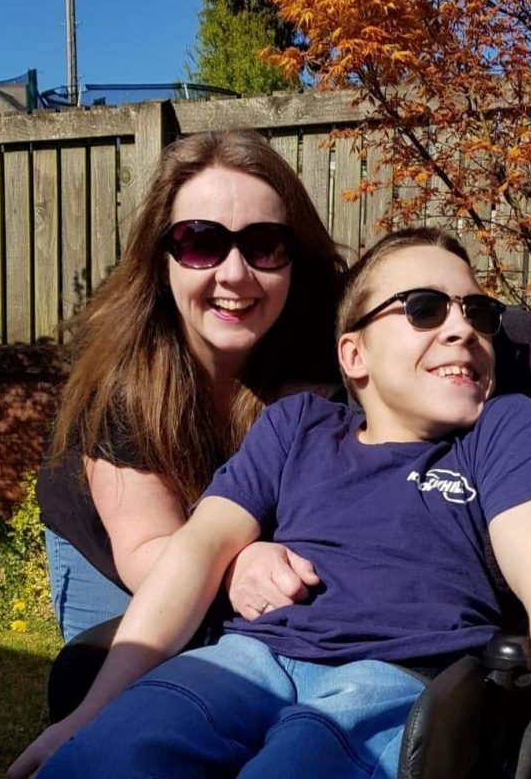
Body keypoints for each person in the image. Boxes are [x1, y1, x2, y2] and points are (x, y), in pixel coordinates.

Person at [11, 228, 531, 779]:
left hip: (395, 677)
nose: (463, 329)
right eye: (424, 309)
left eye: (480, 313)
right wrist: (89, 712)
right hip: (245, 659)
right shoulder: (298, 427)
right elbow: (197, 550)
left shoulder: (506, 431)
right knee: (102, 757)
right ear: (354, 354)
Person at [38, 129, 346, 642]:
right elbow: (146, 546)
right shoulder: (123, 380)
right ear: (162, 263)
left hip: (241, 531)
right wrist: (233, 567)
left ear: (295, 257)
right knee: (119, 686)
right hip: (121, 542)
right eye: (201, 244)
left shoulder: (331, 344)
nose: (234, 274)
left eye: (264, 245)